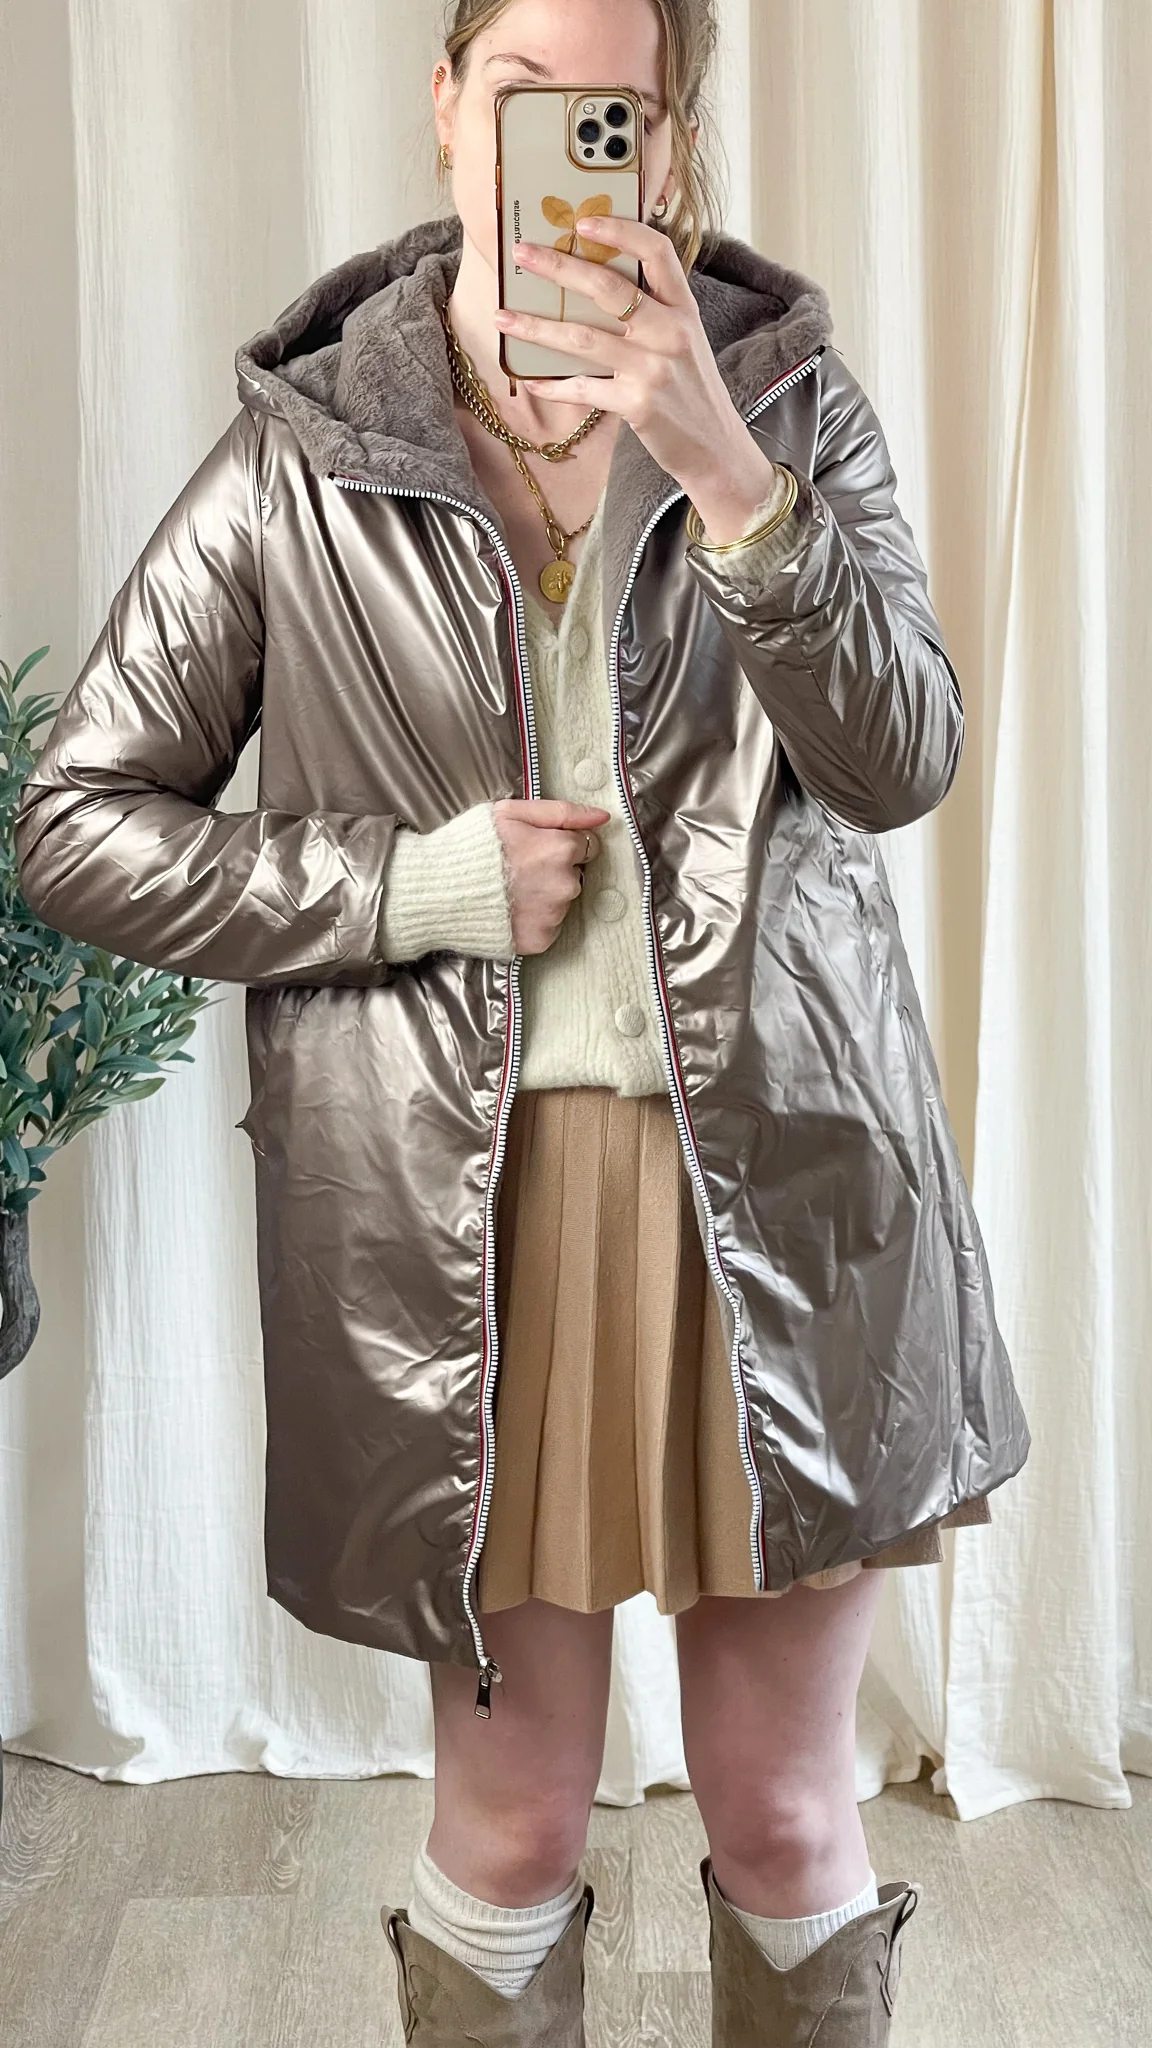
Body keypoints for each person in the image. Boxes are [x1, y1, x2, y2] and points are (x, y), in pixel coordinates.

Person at [15, 0, 1031, 2040]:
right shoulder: (305, 459)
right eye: (521, 93)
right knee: (504, 1826)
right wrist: (406, 888)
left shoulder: (783, 402)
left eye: (616, 110)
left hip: (786, 1205)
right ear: (447, 106)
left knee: (787, 1814)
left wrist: (725, 470)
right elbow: (77, 822)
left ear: (668, 140)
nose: (564, 141)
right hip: (459, 1230)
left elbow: (902, 755)